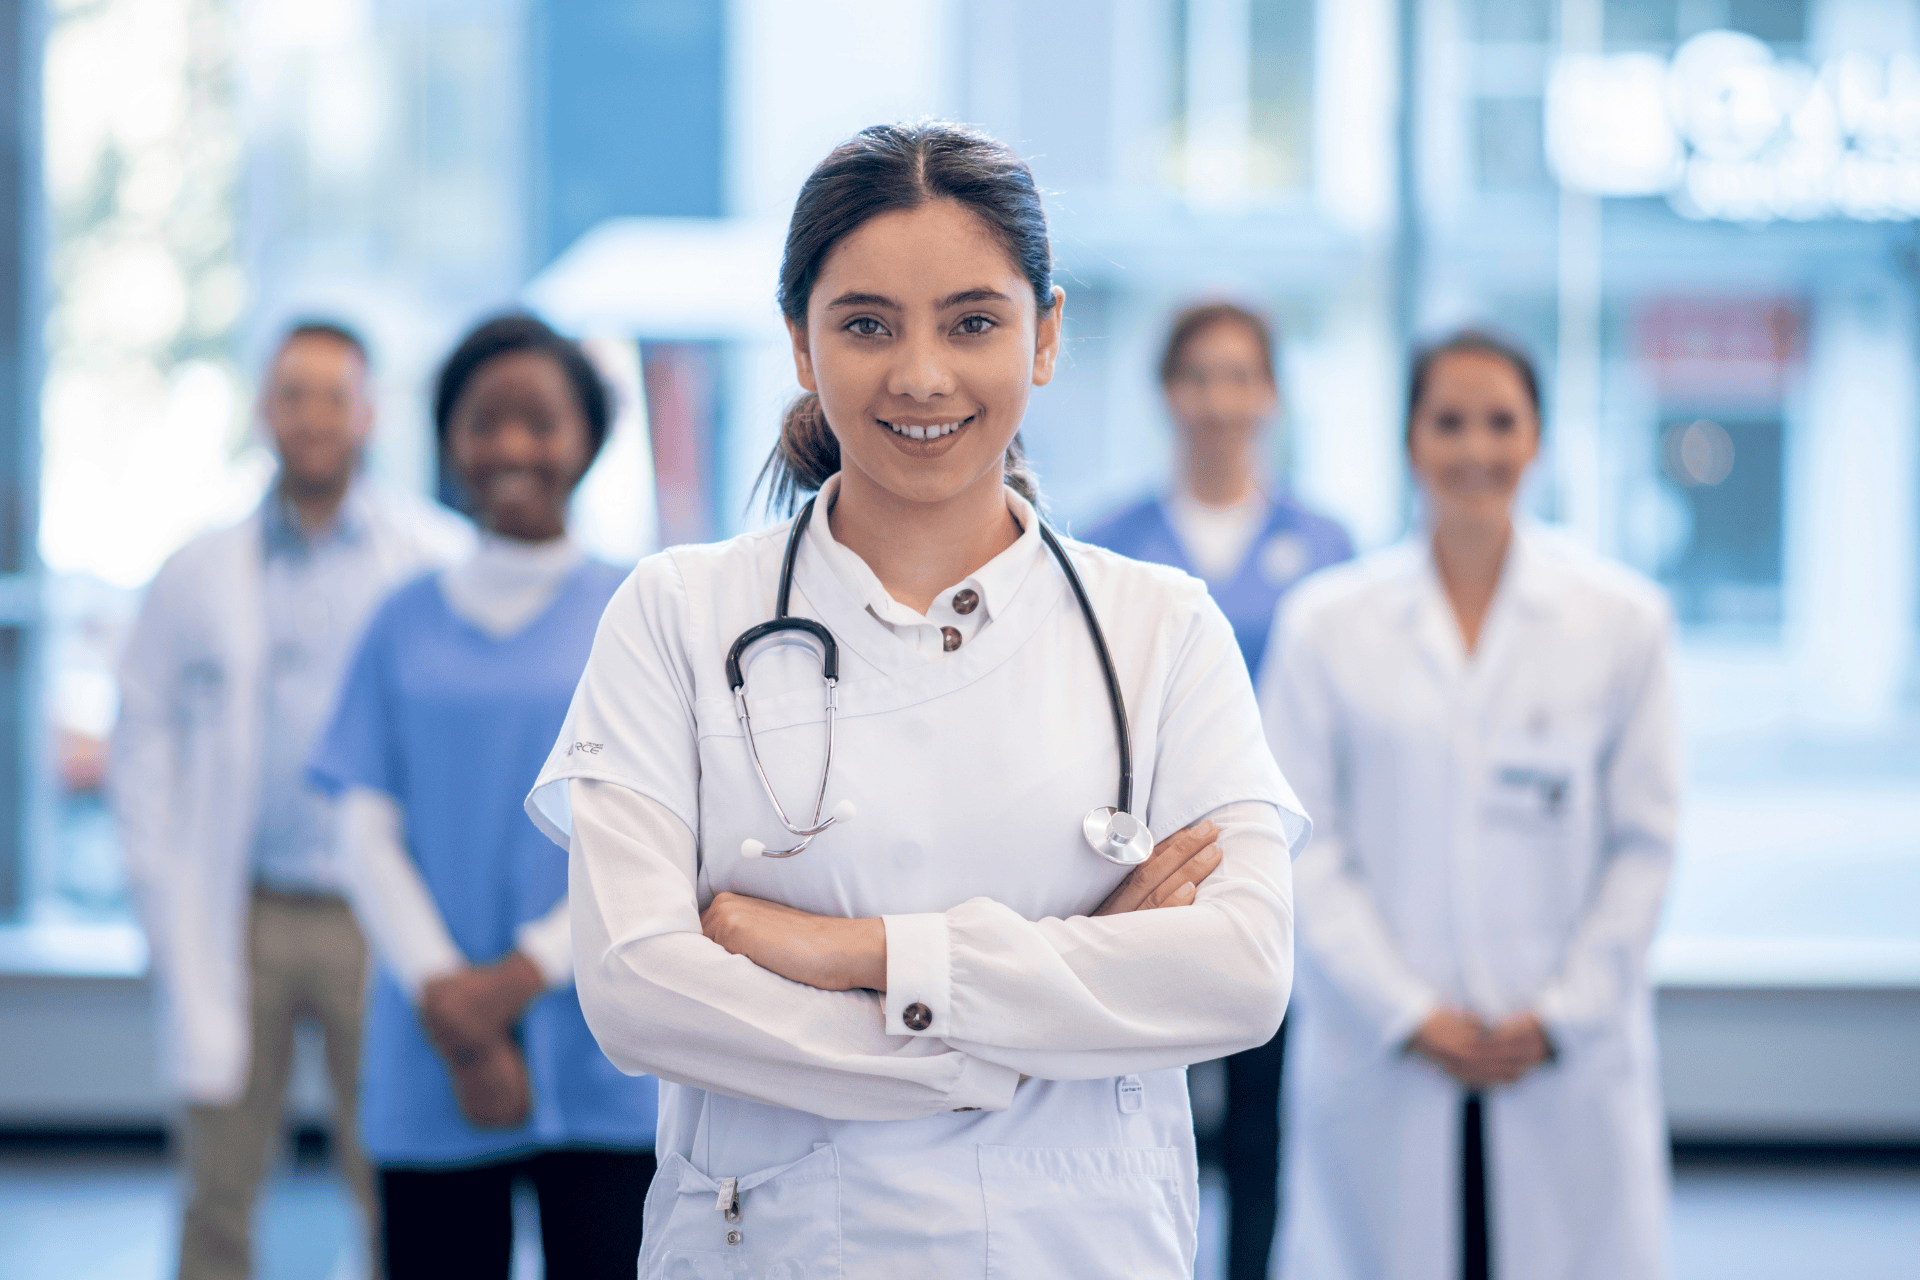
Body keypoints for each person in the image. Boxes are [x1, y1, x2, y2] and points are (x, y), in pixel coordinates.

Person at [521, 121, 1306, 1276]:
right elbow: (639, 990)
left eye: (974, 321)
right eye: (867, 323)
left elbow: (1241, 971)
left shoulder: (1163, 630)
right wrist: (996, 1042)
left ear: (1046, 336)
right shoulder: (677, 615)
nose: (923, 373)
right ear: (800, 342)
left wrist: (848, 950)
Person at [1262, 330, 1678, 1280]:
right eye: (1449, 422)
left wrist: (1563, 1011)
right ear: (1412, 440)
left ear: (1537, 440)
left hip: (1563, 1054)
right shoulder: (1328, 626)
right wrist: (1406, 1010)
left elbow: (1645, 844)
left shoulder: (1621, 621)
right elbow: (1296, 839)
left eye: (1501, 422)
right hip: (1386, 1052)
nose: (1475, 449)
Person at [111, 321, 472, 1280]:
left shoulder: (434, 560)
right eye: (292, 394)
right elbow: (140, 736)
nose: (311, 417)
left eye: (331, 396)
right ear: (266, 411)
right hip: (246, 908)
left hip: (378, 914)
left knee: (393, 1171)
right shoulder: (197, 572)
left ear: (367, 413)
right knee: (219, 1181)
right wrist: (156, 884)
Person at [308, 314, 660, 1279]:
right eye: (484, 420)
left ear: (588, 438)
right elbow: (363, 832)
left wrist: (514, 982)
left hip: (601, 1037)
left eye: (539, 421)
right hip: (431, 1039)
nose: (511, 447)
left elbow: (655, 839)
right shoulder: (400, 621)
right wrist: (451, 1006)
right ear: (448, 438)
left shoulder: (640, 612)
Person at [1081, 300, 1352, 1280]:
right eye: (1199, 374)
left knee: (1261, 1113)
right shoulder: (1110, 541)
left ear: (1270, 393)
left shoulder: (1323, 545)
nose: (1219, 398)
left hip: (1272, 864)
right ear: (1168, 392)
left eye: (1240, 375)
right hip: (1142, 864)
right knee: (1134, 1101)